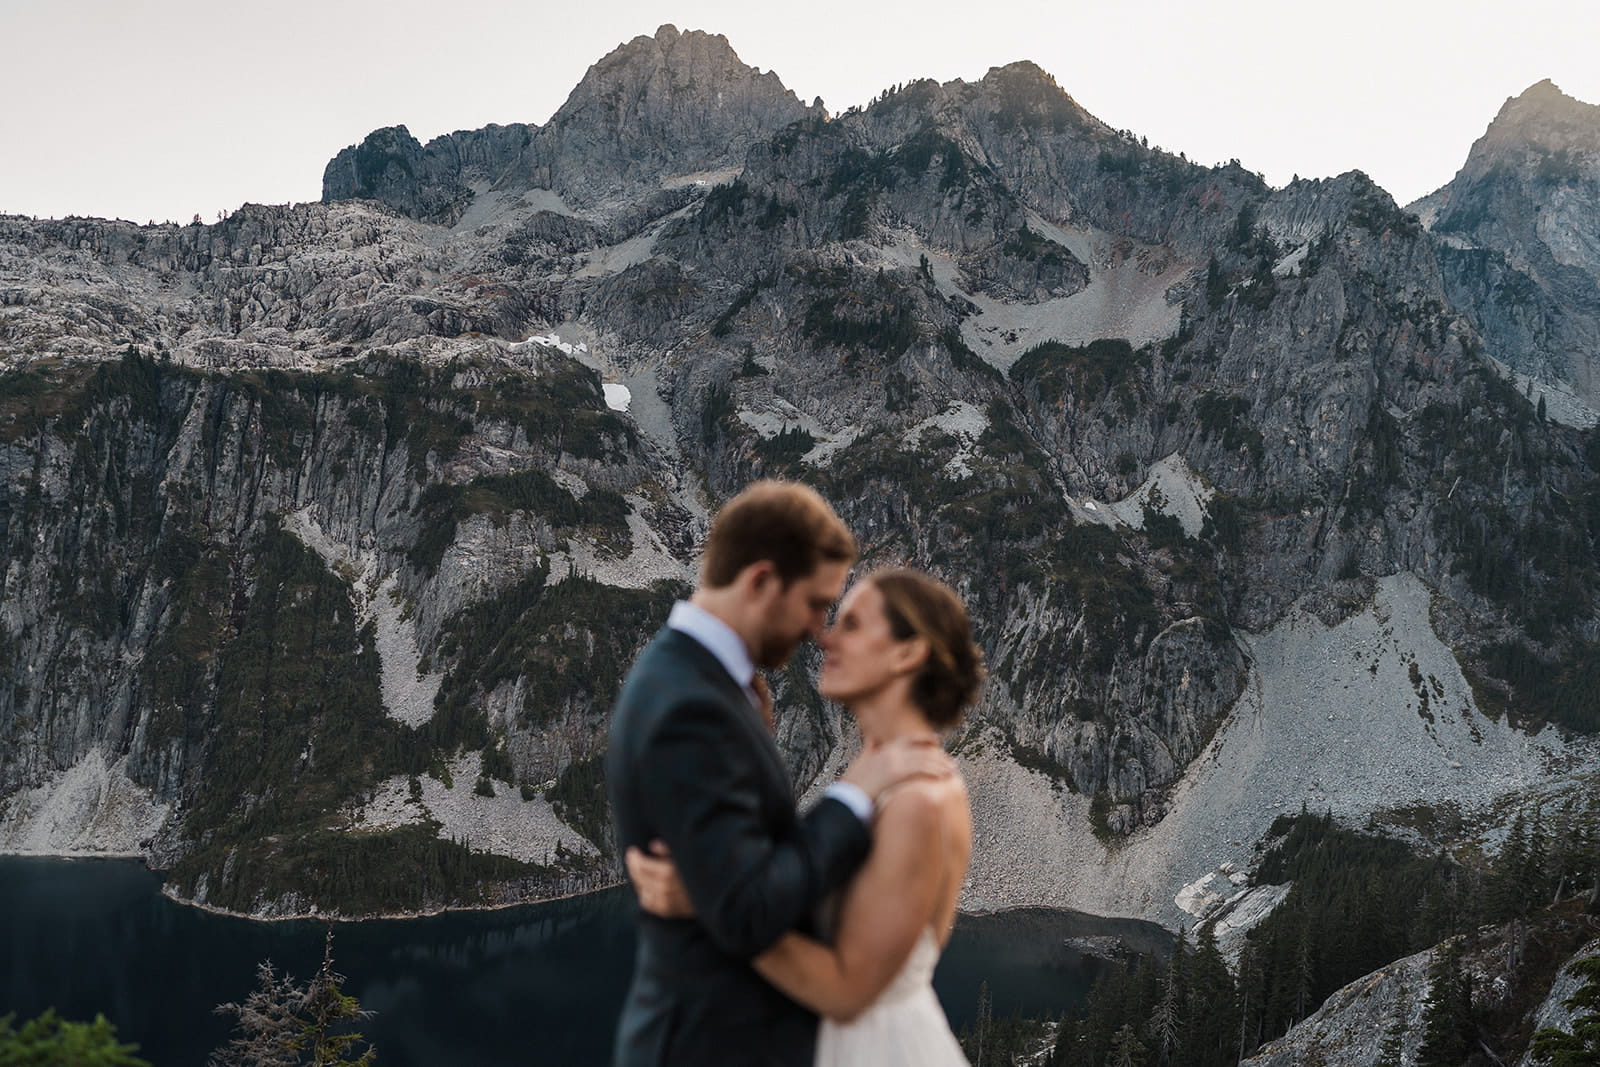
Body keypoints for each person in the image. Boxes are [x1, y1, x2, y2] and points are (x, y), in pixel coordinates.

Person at [606, 481, 952, 1067]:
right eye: (817, 603)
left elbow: (746, 874)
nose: (822, 630)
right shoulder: (694, 706)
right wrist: (852, 794)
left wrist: (703, 898)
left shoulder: (699, 682)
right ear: (761, 581)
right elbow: (747, 912)